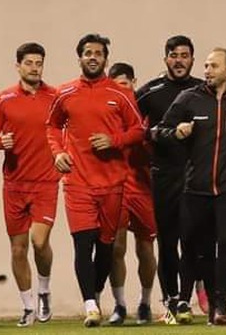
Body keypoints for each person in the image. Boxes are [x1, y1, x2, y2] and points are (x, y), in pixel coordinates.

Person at [157, 48, 226, 325]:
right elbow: (158, 131)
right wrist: (176, 132)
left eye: (213, 66)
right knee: (194, 246)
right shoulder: (189, 98)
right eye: (205, 65)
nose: (207, 70)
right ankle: (182, 300)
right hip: (195, 187)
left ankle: (220, 307)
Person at [47, 34, 145, 327]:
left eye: (98, 53)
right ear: (79, 58)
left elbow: (138, 130)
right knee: (83, 243)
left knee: (105, 247)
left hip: (113, 183)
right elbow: (51, 126)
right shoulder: (65, 93)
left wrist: (114, 140)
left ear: (105, 59)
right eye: (88, 52)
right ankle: (90, 305)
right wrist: (58, 152)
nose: (93, 57)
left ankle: (96, 294)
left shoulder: (120, 93)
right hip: (78, 182)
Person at [0, 42, 61, 326]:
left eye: (39, 63)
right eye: (29, 63)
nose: (34, 68)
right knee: (18, 249)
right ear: (18, 65)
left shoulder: (55, 97)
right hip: (14, 184)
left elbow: (68, 130)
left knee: (39, 242)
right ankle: (28, 306)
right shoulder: (3, 99)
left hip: (46, 182)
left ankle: (44, 290)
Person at [135, 36, 203, 324]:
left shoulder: (203, 90)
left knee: (192, 242)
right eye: (173, 55)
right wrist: (157, 135)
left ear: (192, 59)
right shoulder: (149, 92)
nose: (179, 60)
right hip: (163, 177)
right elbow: (135, 130)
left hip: (196, 177)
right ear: (165, 59)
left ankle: (185, 299)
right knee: (167, 241)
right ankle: (170, 300)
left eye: (184, 55)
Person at [107, 63, 157, 325]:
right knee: (116, 247)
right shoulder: (106, 115)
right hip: (116, 187)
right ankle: (119, 305)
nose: (121, 90)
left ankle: (146, 303)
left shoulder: (143, 114)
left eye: (125, 84)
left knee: (146, 247)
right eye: (116, 85)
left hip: (143, 188)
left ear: (134, 83)